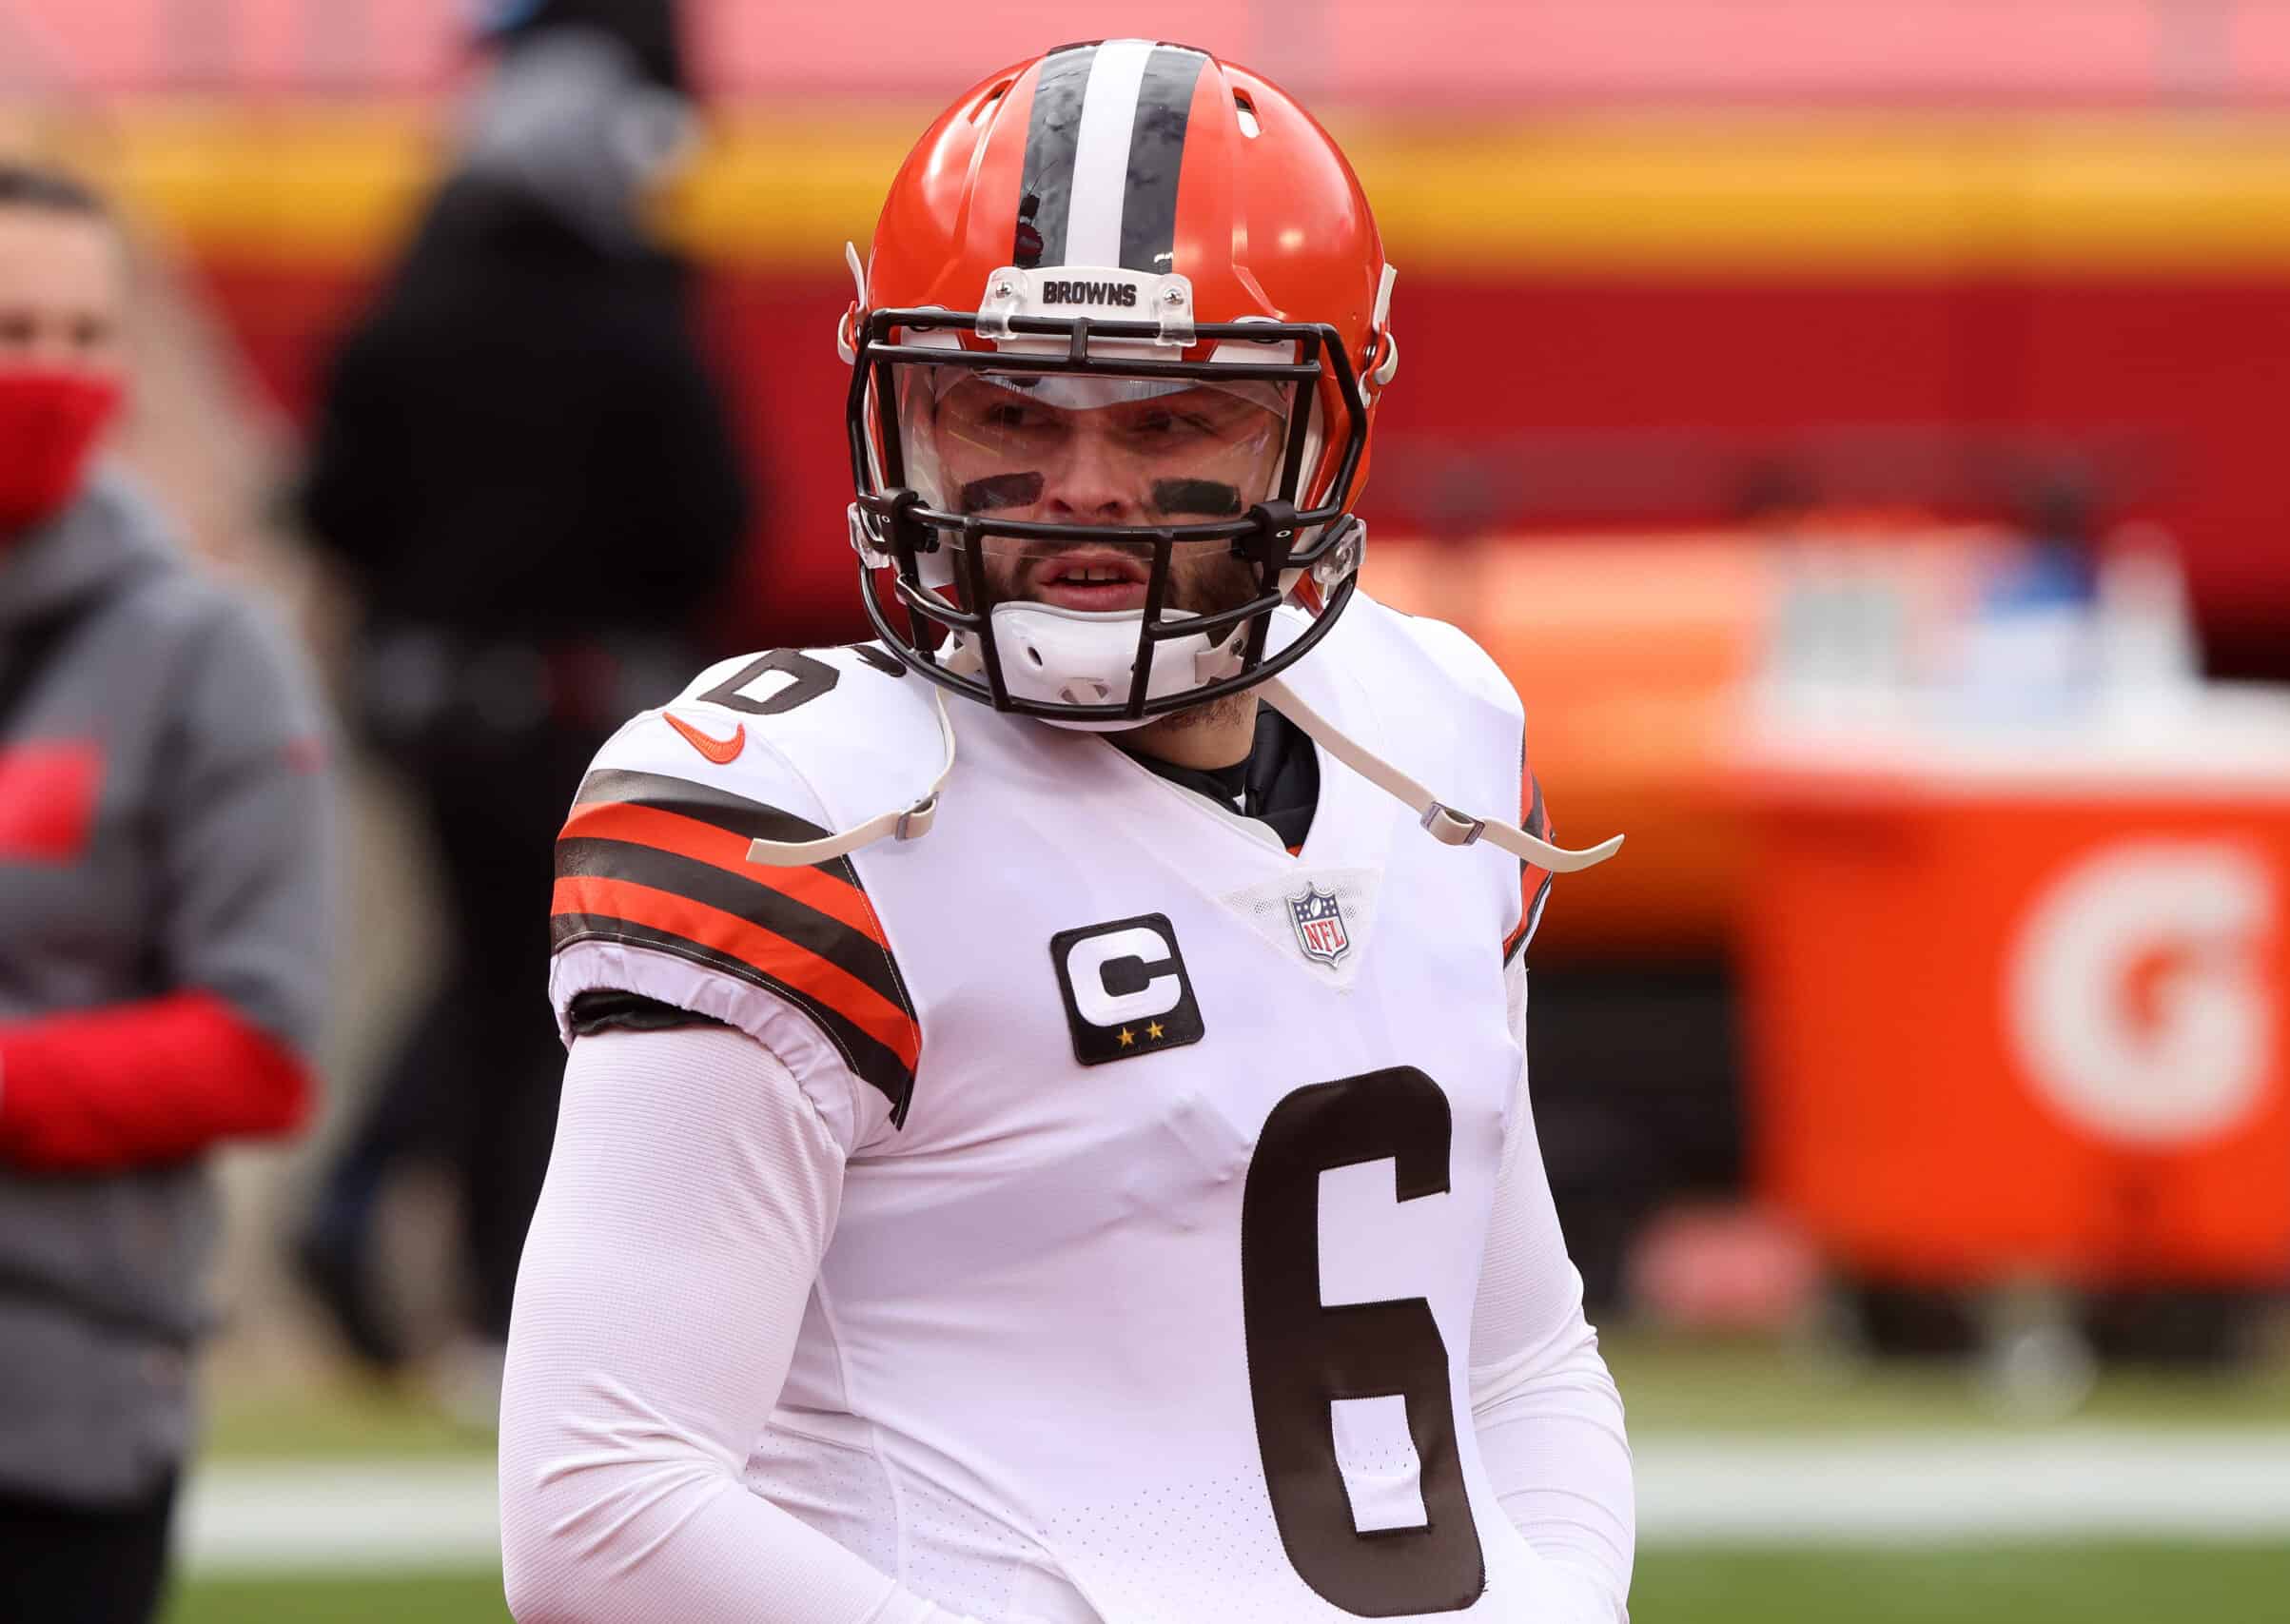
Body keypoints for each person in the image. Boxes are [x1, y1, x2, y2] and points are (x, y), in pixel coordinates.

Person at [500, 41, 1634, 1624]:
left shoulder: (1436, 730)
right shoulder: (801, 813)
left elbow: (1515, 1359)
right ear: (900, 412)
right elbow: (602, 1503)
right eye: (1000, 407)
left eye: (1175, 422)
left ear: (1321, 431)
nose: (1078, 487)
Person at [293, 0, 750, 1381]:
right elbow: (713, 522)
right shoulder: (638, 317)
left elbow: (335, 503)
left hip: (430, 714)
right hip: (585, 714)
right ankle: (502, 1302)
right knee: (569, 1008)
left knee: (494, 990)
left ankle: (401, 1243)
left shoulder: (404, 303)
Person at [0, 161, 336, 1622]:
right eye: (14, 332)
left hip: (63, 1399)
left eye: (85, 337)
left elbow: (262, 1048)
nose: (53, 375)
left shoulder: (209, 654)